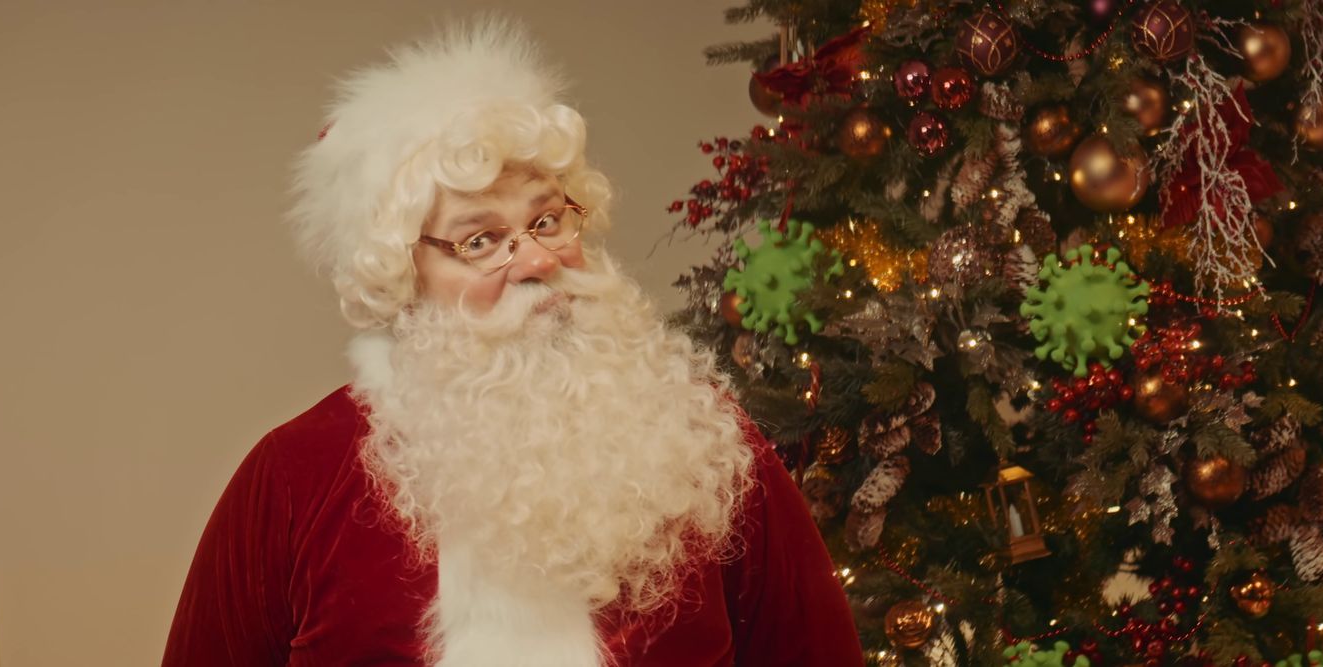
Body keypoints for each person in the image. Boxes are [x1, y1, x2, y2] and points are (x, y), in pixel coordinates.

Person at [162, 17, 864, 667]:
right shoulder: (294, 478)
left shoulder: (704, 448)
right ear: (405, 273)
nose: (534, 260)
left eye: (548, 221)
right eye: (480, 240)